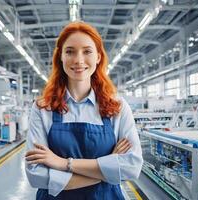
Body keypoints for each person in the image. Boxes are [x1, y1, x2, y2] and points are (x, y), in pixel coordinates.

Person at [25, 21, 143, 199]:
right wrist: (107, 170)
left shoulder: (117, 107)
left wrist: (64, 164)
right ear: (60, 57)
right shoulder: (43, 108)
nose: (78, 60)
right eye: (70, 51)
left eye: (87, 51)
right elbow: (36, 175)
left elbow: (131, 167)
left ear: (98, 57)